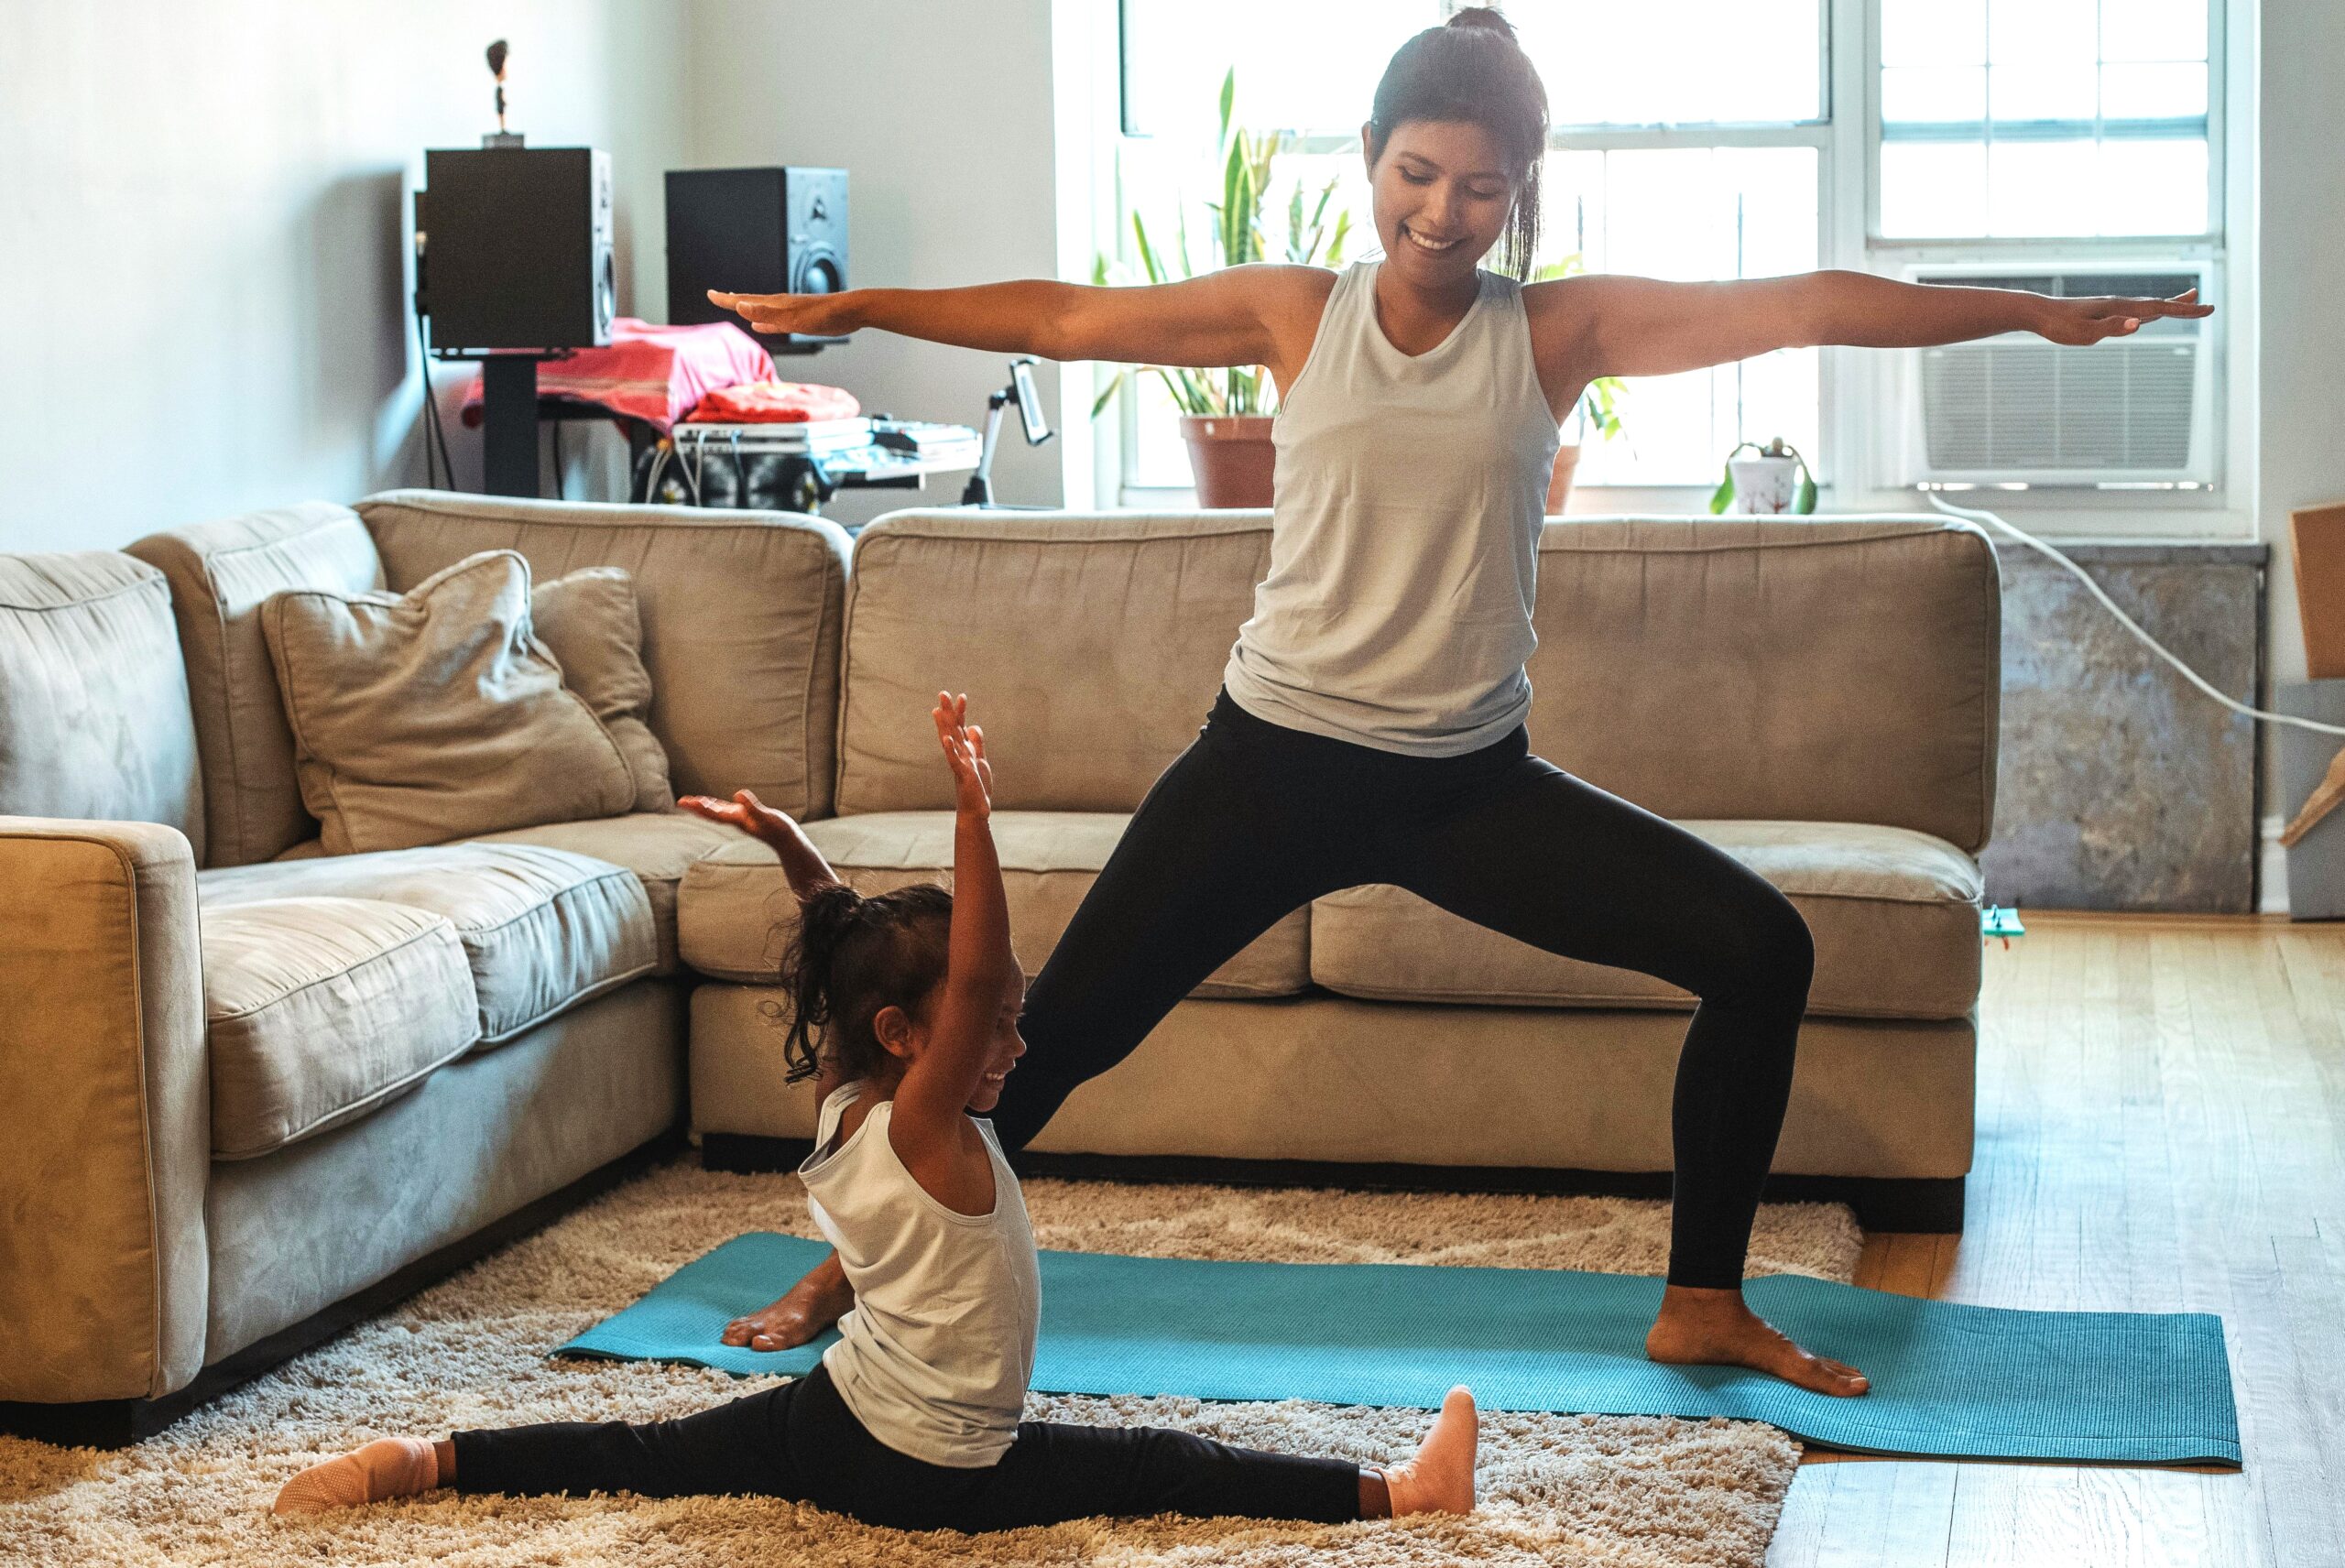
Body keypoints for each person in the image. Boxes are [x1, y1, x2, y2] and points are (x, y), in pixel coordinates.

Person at [706, 8, 2211, 1398]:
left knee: (1761, 948)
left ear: (1524, 195)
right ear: (1370, 160)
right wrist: (860, 308)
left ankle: (1702, 1297)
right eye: (1417, 174)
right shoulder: (1296, 312)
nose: (1441, 213)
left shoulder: (1559, 335)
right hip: (1270, 762)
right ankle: (854, 1268)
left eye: (1481, 189)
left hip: (1464, 785)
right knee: (1060, 1031)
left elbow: (1805, 304)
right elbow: (1066, 318)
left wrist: (2027, 310)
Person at [273, 694, 1478, 1530]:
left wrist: (794, 846)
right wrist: (971, 817)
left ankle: (415, 1463)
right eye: (989, 1023)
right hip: (936, 1466)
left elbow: (837, 939)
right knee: (1165, 1466)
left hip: (840, 1420)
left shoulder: (847, 1102)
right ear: (918, 1039)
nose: (1012, 1042)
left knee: (640, 1452)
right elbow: (966, 971)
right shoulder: (928, 1128)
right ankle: (1394, 1495)